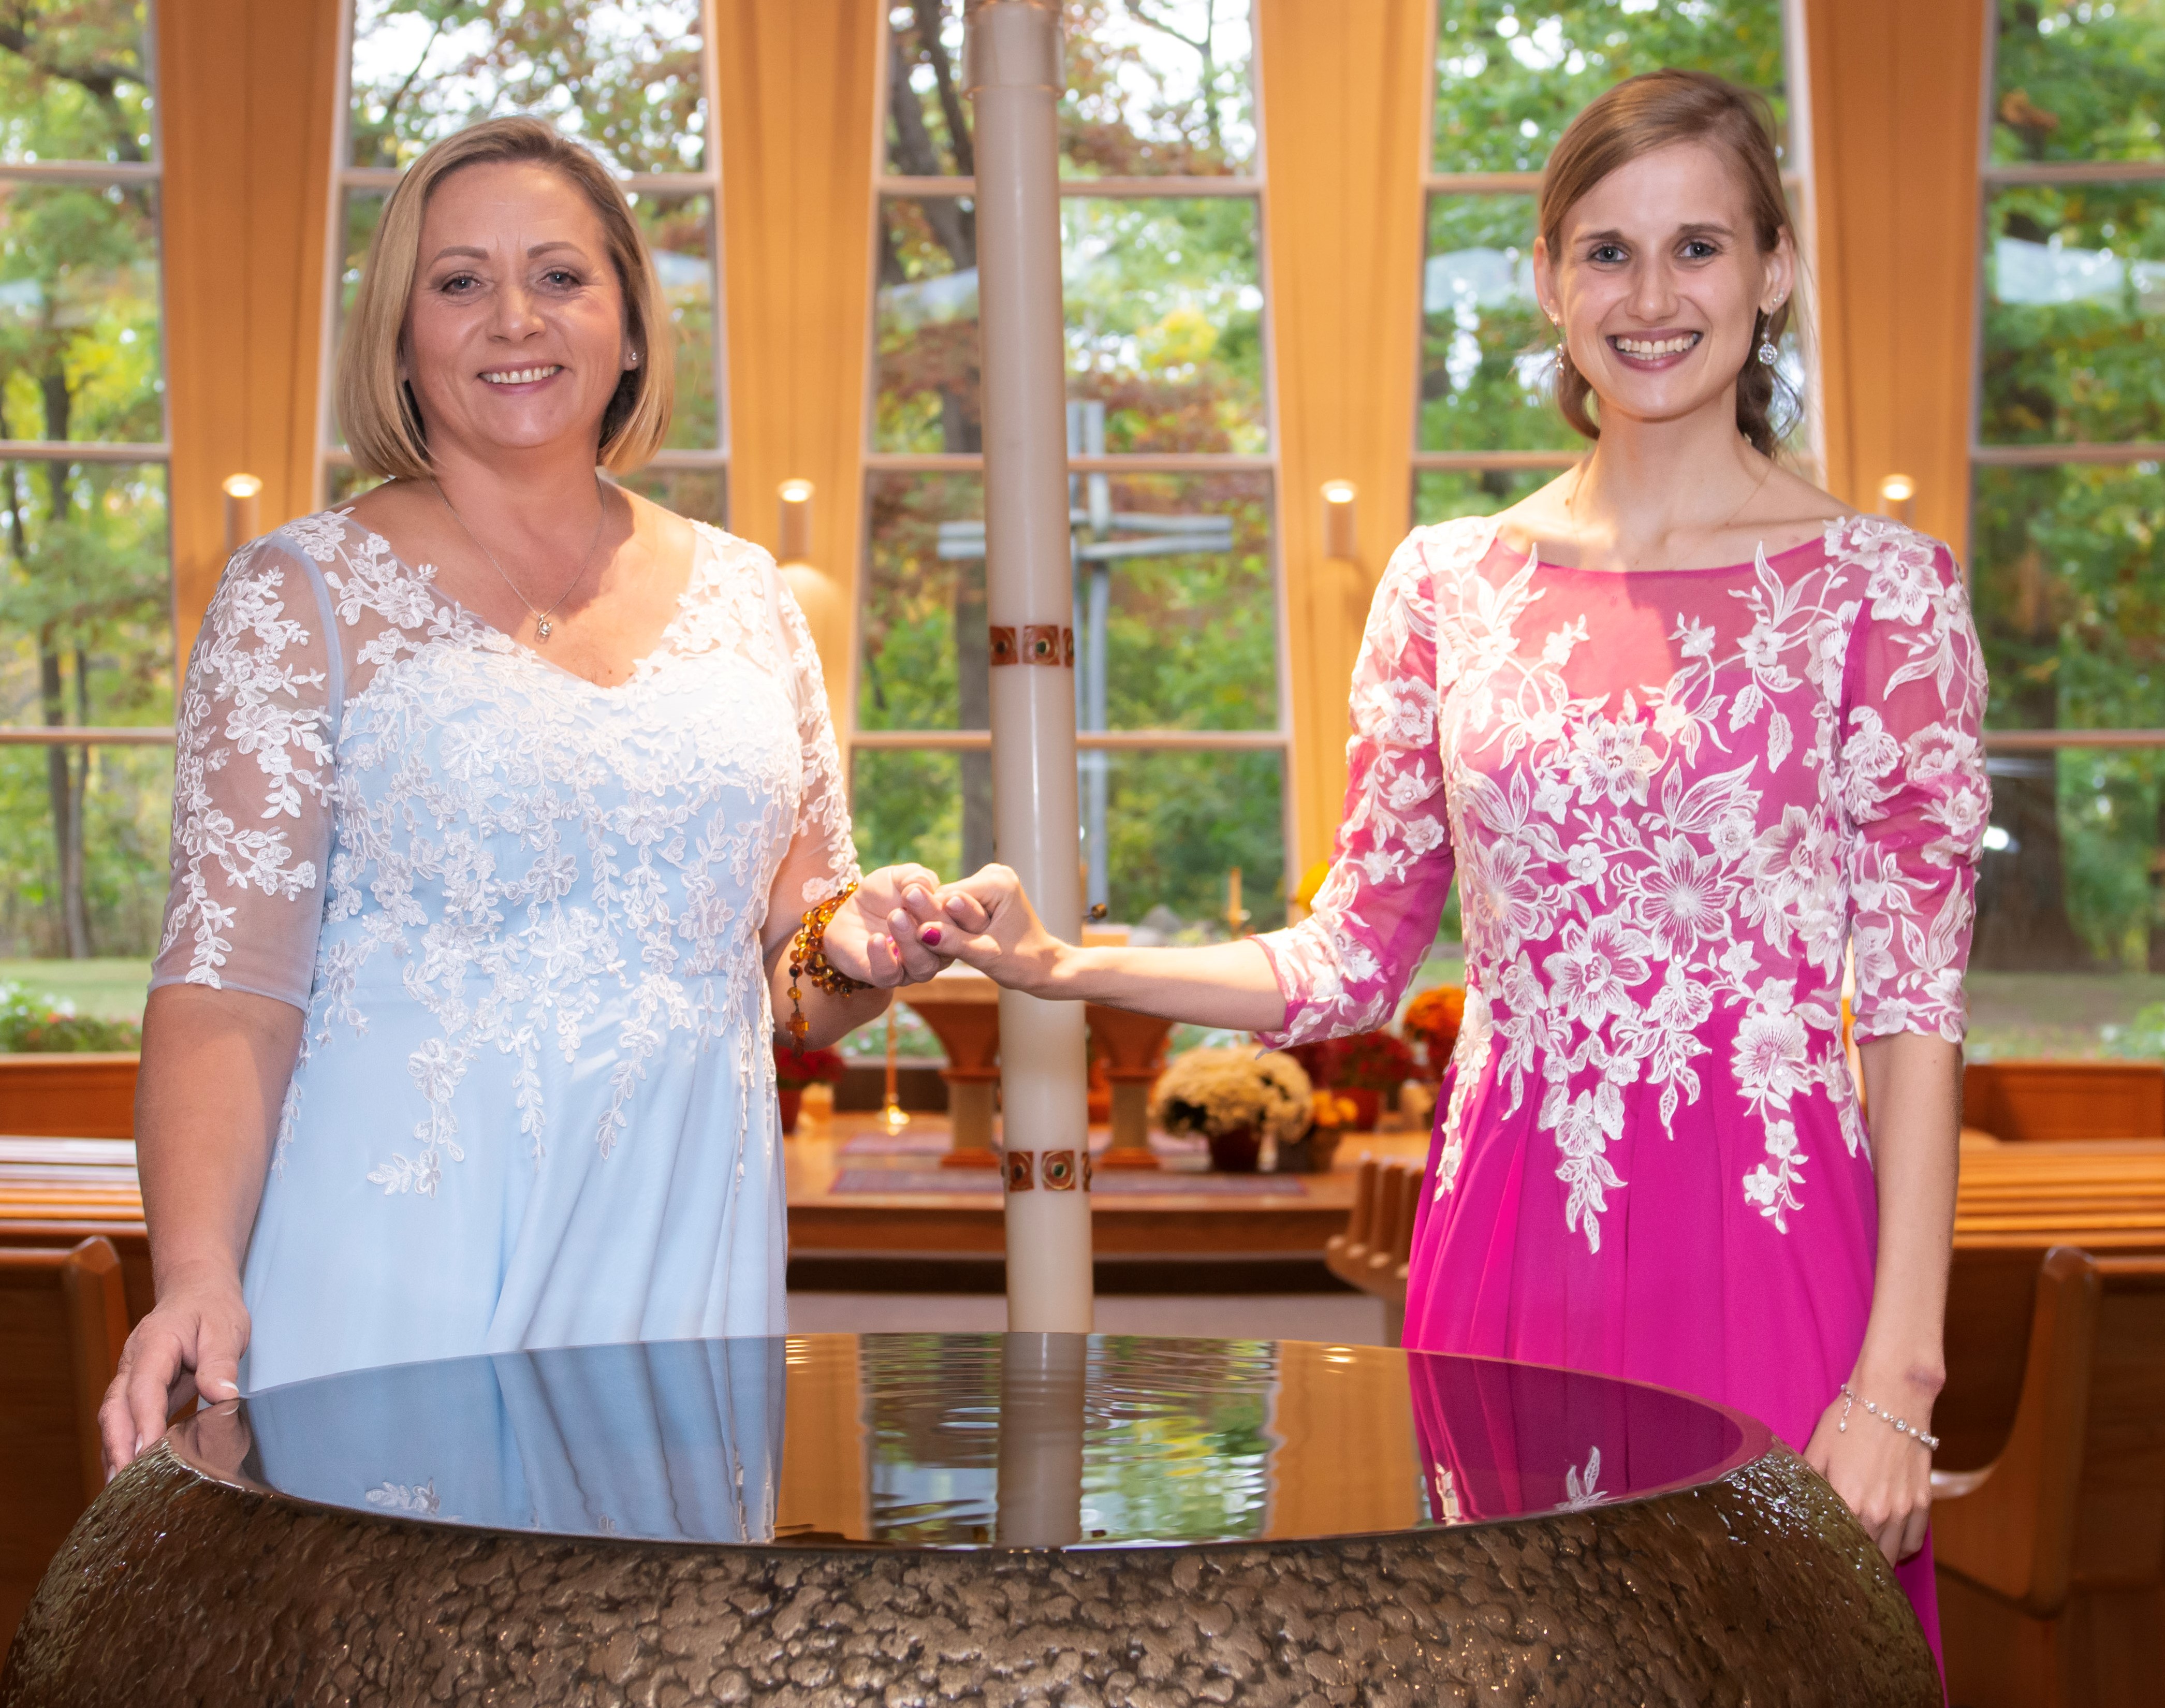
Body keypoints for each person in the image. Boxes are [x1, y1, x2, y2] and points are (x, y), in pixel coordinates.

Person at [910, 70, 1983, 1659]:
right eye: (1607, 251)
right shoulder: (1446, 588)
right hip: (1506, 1242)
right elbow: (1349, 955)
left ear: (1772, 269)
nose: (1652, 295)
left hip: (1763, 1242)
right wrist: (1063, 964)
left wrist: (1899, 1377)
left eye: (1697, 246)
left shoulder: (1884, 594)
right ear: (1550, 281)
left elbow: (1913, 1005)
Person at [101, 117, 946, 1469]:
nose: (515, 318)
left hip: (679, 1273)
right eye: (460, 282)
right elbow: (227, 987)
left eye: (560, 276)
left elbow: (797, 981)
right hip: (397, 1266)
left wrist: (870, 944)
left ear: (630, 325)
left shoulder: (755, 602)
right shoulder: (296, 597)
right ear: (401, 337)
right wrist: (196, 1270)